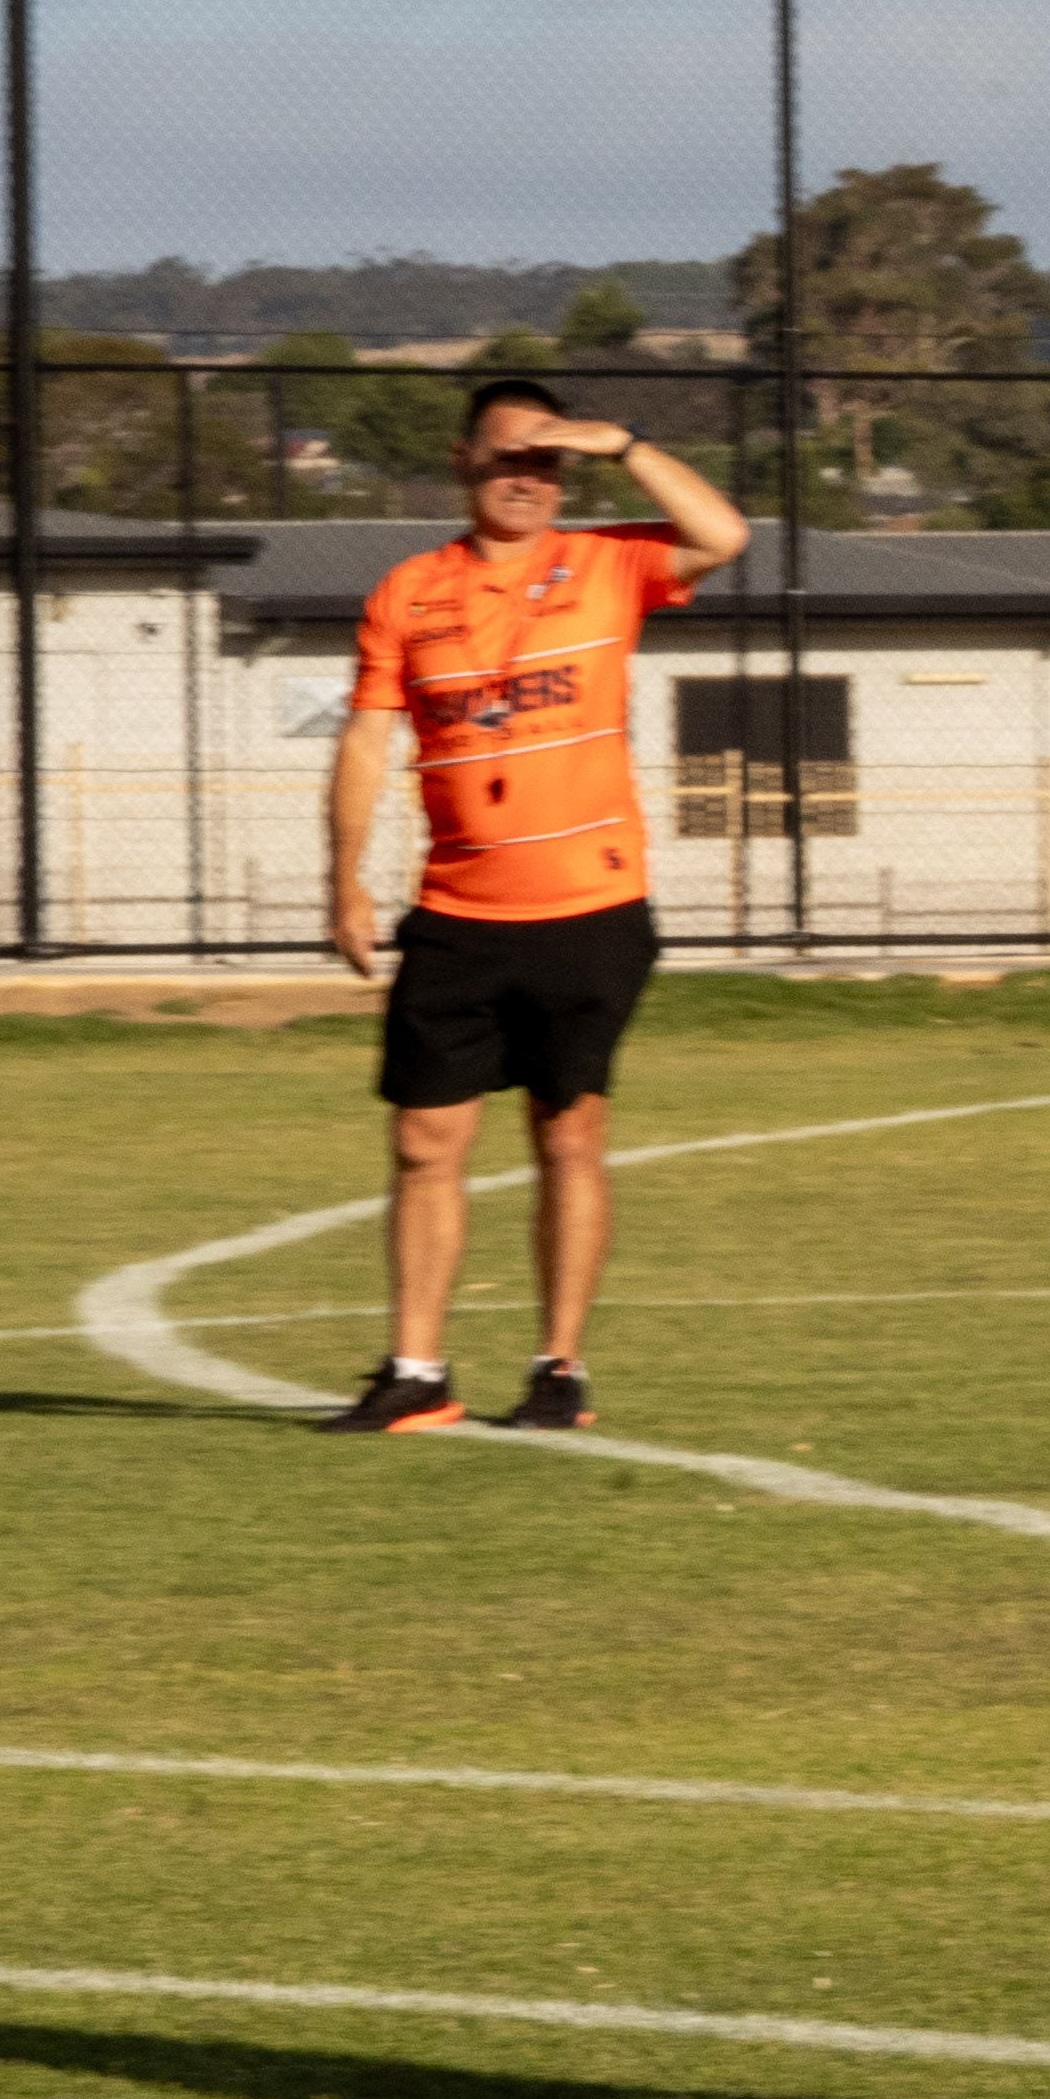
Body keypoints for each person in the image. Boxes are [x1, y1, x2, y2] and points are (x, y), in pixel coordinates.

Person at [311, 379, 750, 1434]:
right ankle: (416, 1373)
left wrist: (628, 441)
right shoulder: (408, 590)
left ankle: (560, 1373)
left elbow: (723, 533)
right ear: (464, 458)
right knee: (424, 1139)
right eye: (511, 457)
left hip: (590, 906)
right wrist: (344, 876)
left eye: (548, 463)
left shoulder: (610, 561)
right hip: (459, 911)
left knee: (569, 1135)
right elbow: (368, 739)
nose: (529, 479)